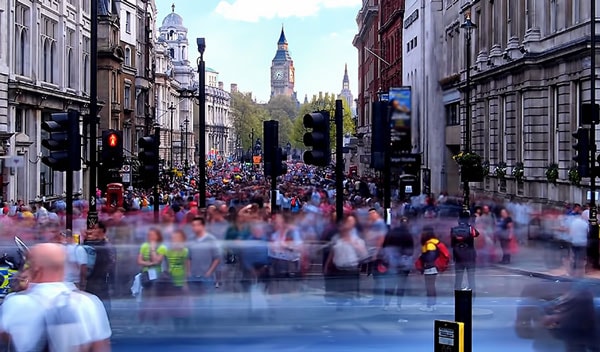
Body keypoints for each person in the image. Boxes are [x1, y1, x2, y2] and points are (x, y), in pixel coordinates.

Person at [0, 243, 111, 352]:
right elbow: (101, 347)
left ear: (36, 269)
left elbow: (5, 337)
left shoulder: (15, 303)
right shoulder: (88, 303)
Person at [83, 222, 116, 316]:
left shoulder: (105, 246)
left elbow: (110, 263)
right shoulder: (94, 244)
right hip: (94, 279)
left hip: (99, 278)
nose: (92, 231)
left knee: (101, 302)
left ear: (101, 231)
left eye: (95, 228)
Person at [451, 211, 479, 292]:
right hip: (470, 256)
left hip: (458, 256)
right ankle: (472, 293)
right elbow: (476, 234)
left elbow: (452, 244)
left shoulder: (454, 230)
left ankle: (458, 294)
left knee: (458, 278)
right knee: (471, 277)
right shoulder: (471, 229)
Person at [417, 226, 440, 312]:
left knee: (429, 287)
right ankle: (432, 304)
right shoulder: (432, 243)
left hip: (430, 268)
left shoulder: (430, 244)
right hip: (432, 268)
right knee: (431, 287)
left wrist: (422, 257)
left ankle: (430, 305)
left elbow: (430, 257)